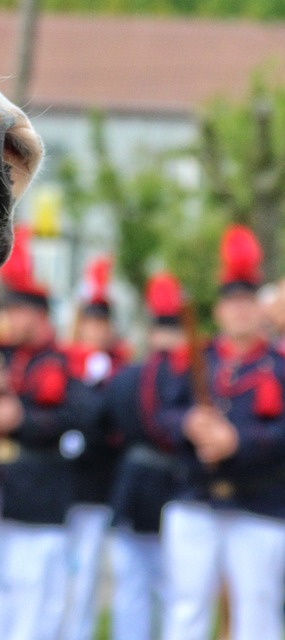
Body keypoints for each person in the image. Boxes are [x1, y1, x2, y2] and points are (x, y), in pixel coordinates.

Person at [153, 225, 285, 640]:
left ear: (260, 310)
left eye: (248, 303)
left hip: (259, 502)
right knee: (186, 608)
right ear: (220, 311)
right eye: (232, 304)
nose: (240, 312)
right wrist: (189, 425)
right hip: (197, 497)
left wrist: (238, 441)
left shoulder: (279, 366)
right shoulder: (197, 359)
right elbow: (162, 415)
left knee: (256, 614)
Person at [0, 227, 81, 640]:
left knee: (31, 594)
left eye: (22, 312)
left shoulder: (62, 361)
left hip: (36, 490)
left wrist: (22, 419)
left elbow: (78, 417)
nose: (13, 319)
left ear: (41, 317)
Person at [102, 272, 185, 640]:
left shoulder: (126, 376)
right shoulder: (184, 376)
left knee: (136, 589)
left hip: (138, 484)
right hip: (167, 484)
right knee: (168, 589)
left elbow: (105, 427)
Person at [62, 255, 128, 640]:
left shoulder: (118, 368)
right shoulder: (63, 362)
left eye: (101, 324)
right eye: (89, 322)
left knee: (86, 573)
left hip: (99, 483)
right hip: (61, 483)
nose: (95, 330)